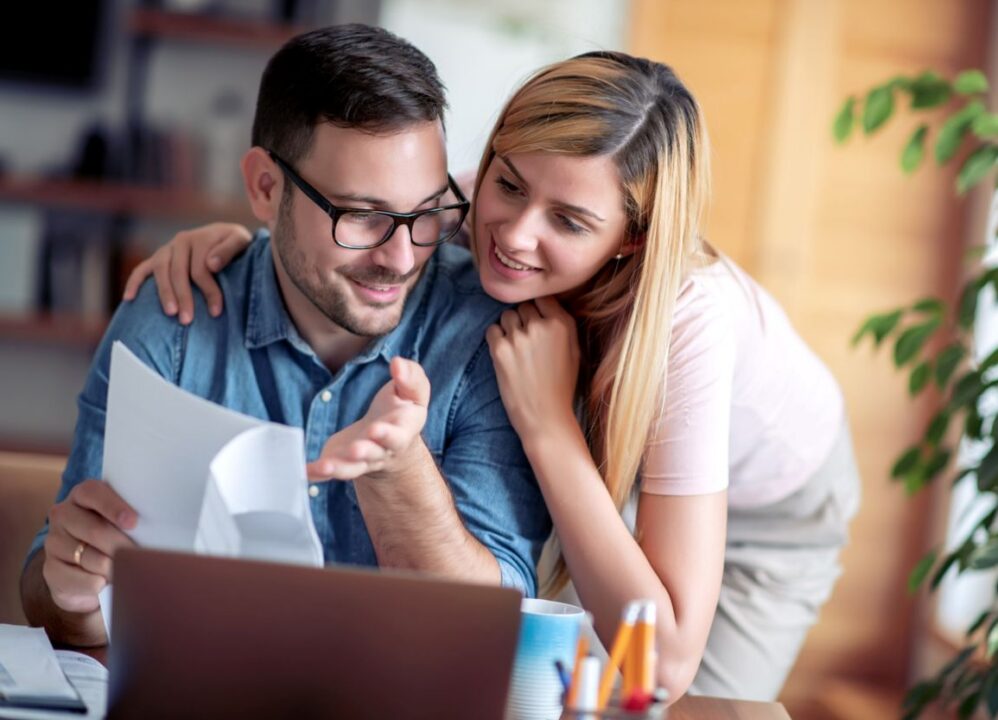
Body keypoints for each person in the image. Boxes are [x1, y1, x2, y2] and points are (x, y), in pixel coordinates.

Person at [123, 50, 861, 702]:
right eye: (509, 184)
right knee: (549, 684)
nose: (512, 233)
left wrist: (546, 423)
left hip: (767, 513)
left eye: (568, 222)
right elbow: (330, 228)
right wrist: (232, 245)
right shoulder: (471, 202)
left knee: (659, 705)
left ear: (629, 241)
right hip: (611, 473)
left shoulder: (688, 323)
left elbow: (659, 662)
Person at [20, 24, 551, 649]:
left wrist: (401, 476)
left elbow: (504, 628)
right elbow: (47, 586)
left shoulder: (487, 335)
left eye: (426, 212)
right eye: (362, 215)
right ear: (266, 189)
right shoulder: (170, 316)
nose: (403, 258)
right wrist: (76, 594)